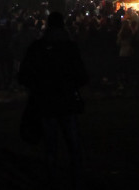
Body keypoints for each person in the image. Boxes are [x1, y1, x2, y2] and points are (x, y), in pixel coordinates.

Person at [18, 11, 88, 170]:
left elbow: (25, 74)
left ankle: (52, 172)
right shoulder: (69, 47)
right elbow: (82, 74)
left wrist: (36, 88)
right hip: (66, 99)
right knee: (73, 142)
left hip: (46, 100)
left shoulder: (38, 47)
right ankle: (76, 174)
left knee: (51, 142)